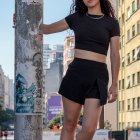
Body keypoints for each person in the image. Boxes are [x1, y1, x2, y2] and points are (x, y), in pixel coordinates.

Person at [41, 0, 120, 140]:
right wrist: (23, 22)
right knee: (69, 124)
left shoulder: (112, 23)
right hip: (75, 74)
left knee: (89, 129)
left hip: (98, 77)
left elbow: (115, 55)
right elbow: (46, 29)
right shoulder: (76, 18)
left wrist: (114, 84)